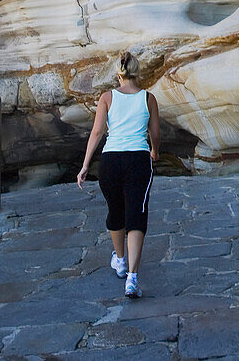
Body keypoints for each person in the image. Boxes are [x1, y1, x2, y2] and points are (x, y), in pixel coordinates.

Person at [77, 51, 160, 298]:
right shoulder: (149, 98)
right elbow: (155, 133)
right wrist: (155, 151)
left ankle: (121, 261)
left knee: (116, 211)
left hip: (110, 161)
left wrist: (84, 166)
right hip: (138, 159)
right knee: (137, 213)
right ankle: (132, 279)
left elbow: (97, 133)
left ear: (118, 74)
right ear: (138, 72)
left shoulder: (107, 97)